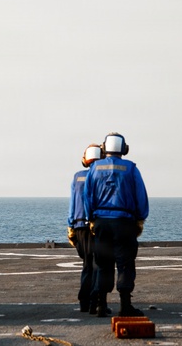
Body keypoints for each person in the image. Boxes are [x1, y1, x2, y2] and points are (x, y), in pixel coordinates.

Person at [84, 132, 149, 317]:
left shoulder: (94, 168)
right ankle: (125, 305)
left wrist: (91, 219)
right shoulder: (131, 169)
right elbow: (141, 196)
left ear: (104, 149)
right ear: (124, 149)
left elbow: (87, 197)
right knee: (125, 263)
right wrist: (140, 217)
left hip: (101, 223)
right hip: (125, 223)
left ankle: (101, 305)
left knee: (103, 263)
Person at [68, 143, 102, 313]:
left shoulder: (77, 177)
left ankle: (84, 301)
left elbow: (72, 203)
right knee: (97, 265)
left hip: (79, 226)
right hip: (95, 225)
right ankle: (94, 301)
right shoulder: (101, 176)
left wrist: (70, 226)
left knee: (87, 264)